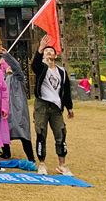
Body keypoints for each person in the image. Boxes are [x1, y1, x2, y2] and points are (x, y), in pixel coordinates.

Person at [31, 35, 74, 176]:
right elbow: (34, 65)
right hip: (42, 104)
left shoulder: (61, 71)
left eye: (51, 51)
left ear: (56, 55)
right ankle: (42, 164)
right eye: (46, 51)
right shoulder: (41, 68)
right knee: (41, 133)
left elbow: (66, 90)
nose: (49, 52)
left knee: (61, 133)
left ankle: (62, 165)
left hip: (56, 106)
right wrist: (40, 49)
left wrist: (69, 107)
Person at [0, 47, 35, 162]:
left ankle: (31, 158)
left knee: (24, 134)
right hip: (6, 110)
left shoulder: (18, 78)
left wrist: (7, 56)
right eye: (6, 65)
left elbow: (17, 67)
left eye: (10, 65)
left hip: (19, 110)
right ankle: (6, 153)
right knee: (4, 132)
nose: (9, 67)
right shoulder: (3, 79)